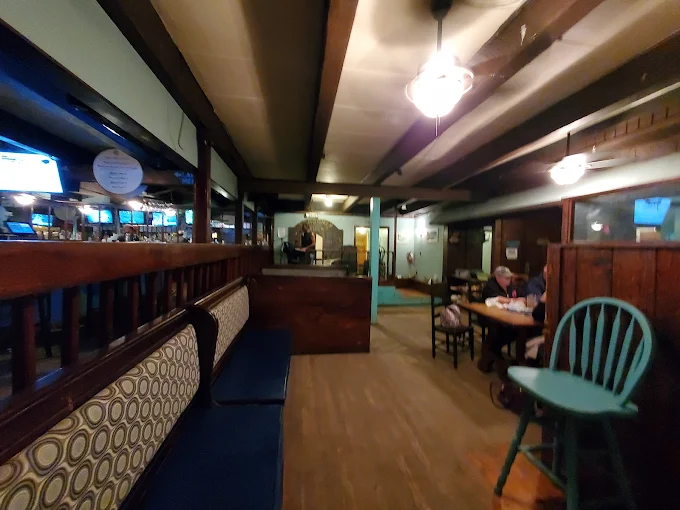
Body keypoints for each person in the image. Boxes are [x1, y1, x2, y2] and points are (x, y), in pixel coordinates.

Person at [482, 266, 524, 360]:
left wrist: (517, 299)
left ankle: (495, 350)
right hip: (489, 316)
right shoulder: (491, 285)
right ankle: (492, 351)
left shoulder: (510, 285)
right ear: (498, 277)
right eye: (507, 278)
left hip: (507, 315)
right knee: (501, 328)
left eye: (510, 277)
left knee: (517, 330)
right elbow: (498, 299)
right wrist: (514, 300)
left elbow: (519, 296)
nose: (509, 280)